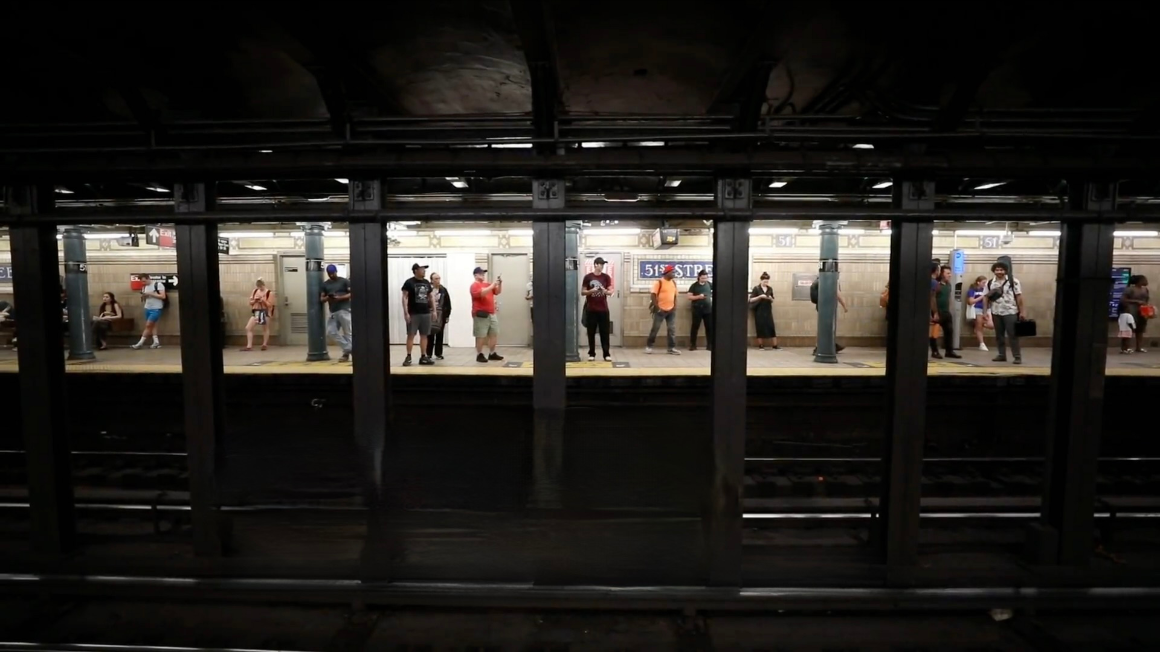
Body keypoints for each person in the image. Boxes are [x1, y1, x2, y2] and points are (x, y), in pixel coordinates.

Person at [983, 261, 1024, 365]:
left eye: (1001, 270)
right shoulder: (990, 283)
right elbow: (985, 297)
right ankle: (1001, 355)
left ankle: (1017, 356)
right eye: (997, 270)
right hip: (996, 311)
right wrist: (985, 311)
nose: (999, 272)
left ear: (1005, 270)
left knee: (1012, 334)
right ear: (994, 271)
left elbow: (1019, 296)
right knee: (999, 335)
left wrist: (1022, 311)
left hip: (1010, 311)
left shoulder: (1013, 281)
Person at [401, 263, 434, 366]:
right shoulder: (409, 282)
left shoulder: (426, 282)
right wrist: (406, 313)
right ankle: (409, 356)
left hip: (425, 313)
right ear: (416, 270)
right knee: (411, 335)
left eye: (424, 269)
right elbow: (404, 297)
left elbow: (430, 296)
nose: (424, 271)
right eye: (422, 269)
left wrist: (434, 311)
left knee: (424, 335)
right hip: (413, 313)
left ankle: (423, 356)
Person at [582, 257, 614, 361]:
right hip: (591, 310)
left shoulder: (606, 277)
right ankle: (592, 354)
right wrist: (592, 291)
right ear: (595, 264)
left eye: (603, 265)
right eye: (600, 264)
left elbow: (611, 291)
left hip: (603, 310)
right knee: (591, 332)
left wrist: (605, 291)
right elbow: (583, 292)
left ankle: (606, 354)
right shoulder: (588, 277)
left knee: (604, 332)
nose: (602, 266)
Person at [470, 266, 504, 363]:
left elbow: (497, 291)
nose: (483, 275)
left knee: (494, 333)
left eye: (483, 274)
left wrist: (499, 284)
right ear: (475, 275)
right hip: (480, 314)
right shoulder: (474, 286)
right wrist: (492, 285)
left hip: (491, 313)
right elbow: (481, 294)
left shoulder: (487, 284)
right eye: (481, 274)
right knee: (480, 335)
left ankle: (492, 353)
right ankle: (479, 354)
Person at [320, 264, 353, 362]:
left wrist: (339, 297)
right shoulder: (325, 284)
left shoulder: (344, 281)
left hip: (345, 309)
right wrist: (328, 298)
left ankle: (345, 354)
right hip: (333, 312)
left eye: (333, 273)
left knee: (348, 333)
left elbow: (351, 294)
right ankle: (349, 348)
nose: (331, 275)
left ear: (336, 272)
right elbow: (321, 299)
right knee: (331, 332)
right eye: (329, 274)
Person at [645, 265, 680, 355]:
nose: (674, 274)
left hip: (671, 310)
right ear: (667, 273)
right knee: (655, 328)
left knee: (671, 329)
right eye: (672, 272)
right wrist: (657, 308)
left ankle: (671, 348)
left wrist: (675, 306)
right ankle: (649, 346)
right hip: (660, 310)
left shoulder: (673, 283)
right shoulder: (659, 282)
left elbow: (675, 295)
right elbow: (653, 295)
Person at [131, 273, 166, 350]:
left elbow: (163, 296)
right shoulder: (144, 287)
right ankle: (156, 342)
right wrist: (144, 296)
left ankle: (140, 343)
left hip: (156, 308)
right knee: (153, 325)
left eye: (144, 281)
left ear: (148, 278)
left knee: (148, 325)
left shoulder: (158, 285)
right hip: (147, 307)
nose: (143, 283)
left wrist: (150, 293)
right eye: (142, 282)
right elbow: (145, 298)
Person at [934, 265, 961, 359]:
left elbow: (949, 297)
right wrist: (935, 312)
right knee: (934, 333)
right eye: (948, 273)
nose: (950, 275)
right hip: (937, 312)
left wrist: (949, 309)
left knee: (949, 331)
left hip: (946, 312)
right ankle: (935, 351)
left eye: (950, 273)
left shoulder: (948, 285)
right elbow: (932, 298)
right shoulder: (936, 284)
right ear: (942, 274)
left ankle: (949, 351)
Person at [1120, 275, 1151, 353]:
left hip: (1142, 311)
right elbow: (1123, 300)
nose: (1146, 281)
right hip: (1131, 310)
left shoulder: (1145, 290)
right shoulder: (1130, 289)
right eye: (1144, 279)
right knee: (1129, 329)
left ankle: (1139, 347)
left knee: (1140, 329)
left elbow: (1146, 300)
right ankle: (1125, 348)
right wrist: (1136, 301)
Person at [749, 272, 779, 350]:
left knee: (771, 326)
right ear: (761, 281)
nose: (766, 283)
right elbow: (751, 299)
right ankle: (761, 345)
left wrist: (770, 298)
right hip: (759, 309)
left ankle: (775, 345)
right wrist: (760, 296)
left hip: (767, 309)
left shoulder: (770, 289)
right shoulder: (756, 288)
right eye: (764, 281)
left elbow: (773, 299)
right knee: (760, 326)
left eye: (767, 281)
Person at [242, 279, 274, 351]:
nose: (260, 289)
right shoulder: (255, 291)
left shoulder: (269, 293)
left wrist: (263, 300)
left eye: (261, 287)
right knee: (248, 328)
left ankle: (264, 344)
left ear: (263, 285)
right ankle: (249, 345)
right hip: (256, 311)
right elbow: (250, 302)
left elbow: (270, 305)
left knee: (265, 328)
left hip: (265, 312)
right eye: (258, 287)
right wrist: (255, 300)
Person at [426, 272, 451, 360]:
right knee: (430, 334)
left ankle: (438, 353)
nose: (438, 280)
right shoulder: (428, 289)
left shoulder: (443, 290)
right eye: (436, 279)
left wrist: (447, 315)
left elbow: (448, 303)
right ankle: (428, 353)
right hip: (430, 313)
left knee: (440, 334)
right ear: (431, 280)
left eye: (439, 278)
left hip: (441, 315)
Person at [687, 269, 713, 351]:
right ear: (699, 277)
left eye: (706, 278)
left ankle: (709, 345)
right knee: (695, 327)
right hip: (697, 309)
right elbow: (689, 297)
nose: (704, 280)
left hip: (708, 309)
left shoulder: (709, 284)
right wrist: (699, 297)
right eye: (703, 278)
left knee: (709, 327)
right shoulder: (694, 286)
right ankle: (693, 345)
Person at [965, 275, 989, 351]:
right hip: (977, 308)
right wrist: (982, 297)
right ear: (978, 282)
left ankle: (978, 327)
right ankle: (982, 343)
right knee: (979, 325)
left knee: (991, 325)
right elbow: (971, 301)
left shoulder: (986, 290)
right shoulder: (972, 290)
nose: (985, 284)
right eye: (983, 282)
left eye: (986, 282)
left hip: (986, 309)